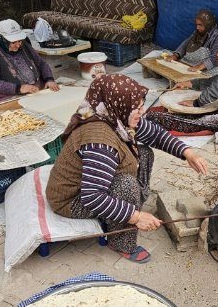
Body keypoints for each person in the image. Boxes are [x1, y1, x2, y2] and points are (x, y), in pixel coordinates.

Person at [46, 74, 209, 263]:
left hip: (91, 186)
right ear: (118, 104)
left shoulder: (114, 115)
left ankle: (129, 204)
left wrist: (188, 153)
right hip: (72, 199)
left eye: (141, 106)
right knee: (126, 185)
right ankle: (121, 242)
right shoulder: (99, 141)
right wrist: (136, 217)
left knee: (145, 152)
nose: (141, 112)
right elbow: (92, 196)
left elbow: (154, 134)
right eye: (137, 108)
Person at [0, 19, 59, 102]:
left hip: (36, 91)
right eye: (13, 42)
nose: (18, 45)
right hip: (10, 97)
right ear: (2, 39)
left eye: (20, 41)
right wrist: (19, 88)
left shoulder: (23, 45)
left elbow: (41, 63)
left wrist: (49, 79)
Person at [170, 9, 218, 76]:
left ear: (208, 25)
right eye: (197, 25)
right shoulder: (197, 32)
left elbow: (216, 57)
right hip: (190, 63)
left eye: (200, 25)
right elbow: (185, 44)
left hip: (205, 67)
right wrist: (176, 55)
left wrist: (199, 67)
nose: (197, 28)